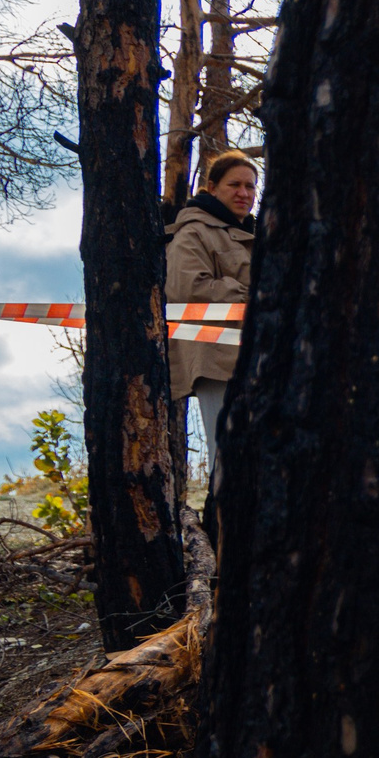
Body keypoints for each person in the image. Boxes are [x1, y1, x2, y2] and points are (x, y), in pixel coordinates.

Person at [166, 148, 258, 540]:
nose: (244, 193)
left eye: (250, 186)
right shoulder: (194, 231)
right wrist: (253, 293)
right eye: (234, 184)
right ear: (212, 187)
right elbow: (188, 287)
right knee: (229, 458)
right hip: (216, 360)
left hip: (256, 359)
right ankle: (228, 542)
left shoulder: (253, 233)